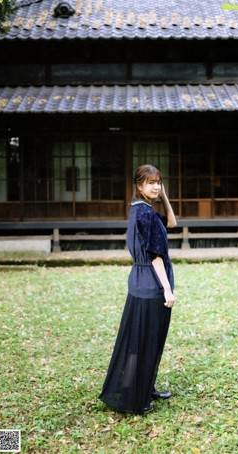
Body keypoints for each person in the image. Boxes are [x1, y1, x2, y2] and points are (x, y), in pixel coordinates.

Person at [99, 164, 177, 415]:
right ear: (139, 185)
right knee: (144, 341)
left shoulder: (140, 210)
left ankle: (144, 387)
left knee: (143, 340)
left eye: (158, 182)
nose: (155, 186)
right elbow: (156, 257)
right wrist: (167, 290)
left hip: (139, 280)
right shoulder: (147, 214)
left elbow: (173, 223)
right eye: (151, 182)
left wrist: (163, 196)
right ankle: (135, 397)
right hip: (151, 284)